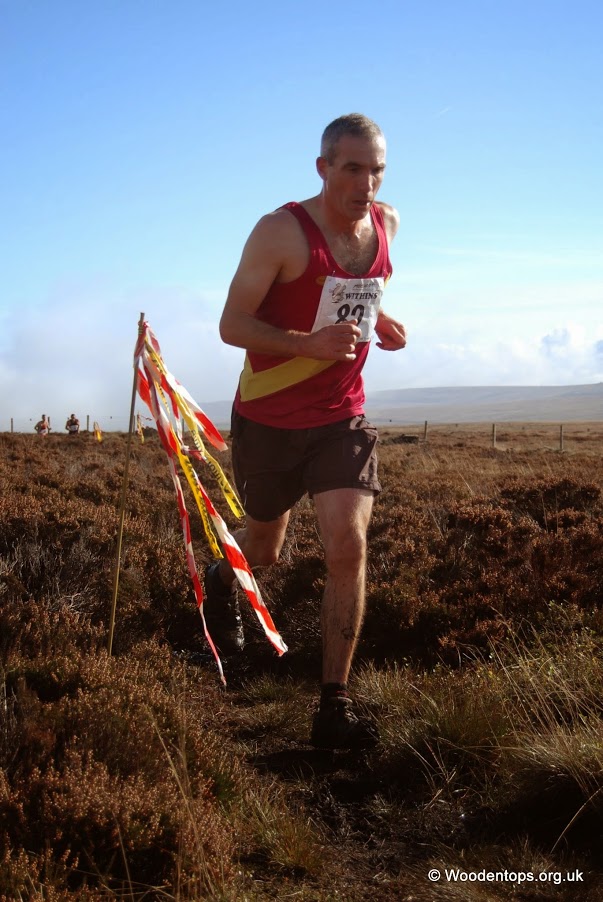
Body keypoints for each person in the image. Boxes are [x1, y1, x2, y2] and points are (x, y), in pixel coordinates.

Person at [206, 113, 407, 749]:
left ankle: (332, 707)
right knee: (265, 549)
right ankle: (221, 580)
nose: (366, 183)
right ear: (323, 168)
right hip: (269, 418)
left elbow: (359, 292)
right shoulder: (280, 233)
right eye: (352, 168)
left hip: (342, 416)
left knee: (348, 546)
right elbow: (232, 324)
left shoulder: (386, 225)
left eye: (377, 170)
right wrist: (308, 344)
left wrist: (381, 320)